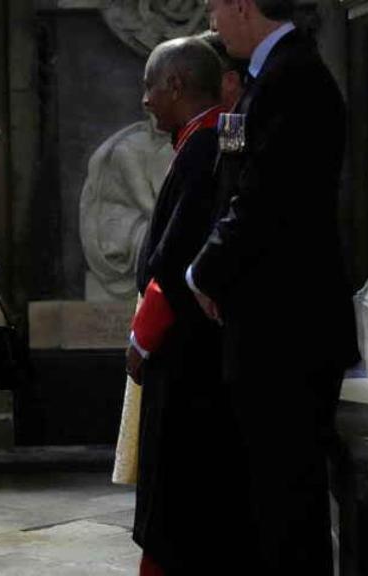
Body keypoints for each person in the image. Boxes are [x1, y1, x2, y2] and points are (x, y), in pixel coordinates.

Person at [191, 1, 360, 572]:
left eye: (215, 4)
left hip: (287, 331)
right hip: (274, 322)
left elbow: (265, 201)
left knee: (287, 503)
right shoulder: (279, 72)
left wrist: (203, 272)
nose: (210, 18)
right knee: (274, 498)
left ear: (243, 4)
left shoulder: (293, 79)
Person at [123, 37, 250, 575]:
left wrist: (140, 338)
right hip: (195, 349)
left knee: (178, 504)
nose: (146, 100)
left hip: (187, 354)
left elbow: (173, 264)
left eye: (151, 86)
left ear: (175, 85)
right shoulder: (206, 139)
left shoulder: (204, 150)